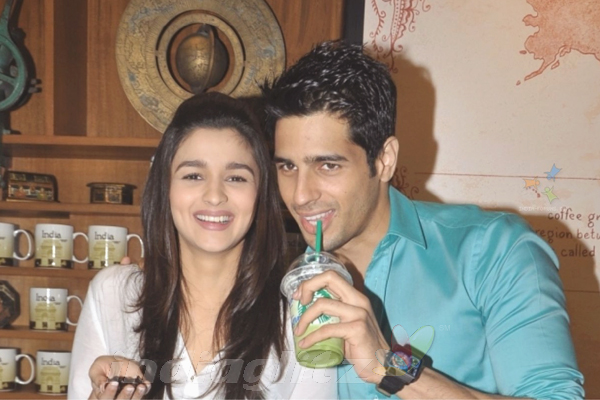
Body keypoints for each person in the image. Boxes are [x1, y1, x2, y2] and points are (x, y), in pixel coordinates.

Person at [261, 40, 585, 399]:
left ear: (384, 160)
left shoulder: (492, 250)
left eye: (327, 165)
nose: (300, 195)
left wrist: (388, 366)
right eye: (287, 167)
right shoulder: (276, 283)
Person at [68, 92, 337, 399]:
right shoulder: (113, 294)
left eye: (236, 178)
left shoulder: (303, 312)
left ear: (261, 194)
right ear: (165, 187)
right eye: (193, 175)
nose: (214, 195)